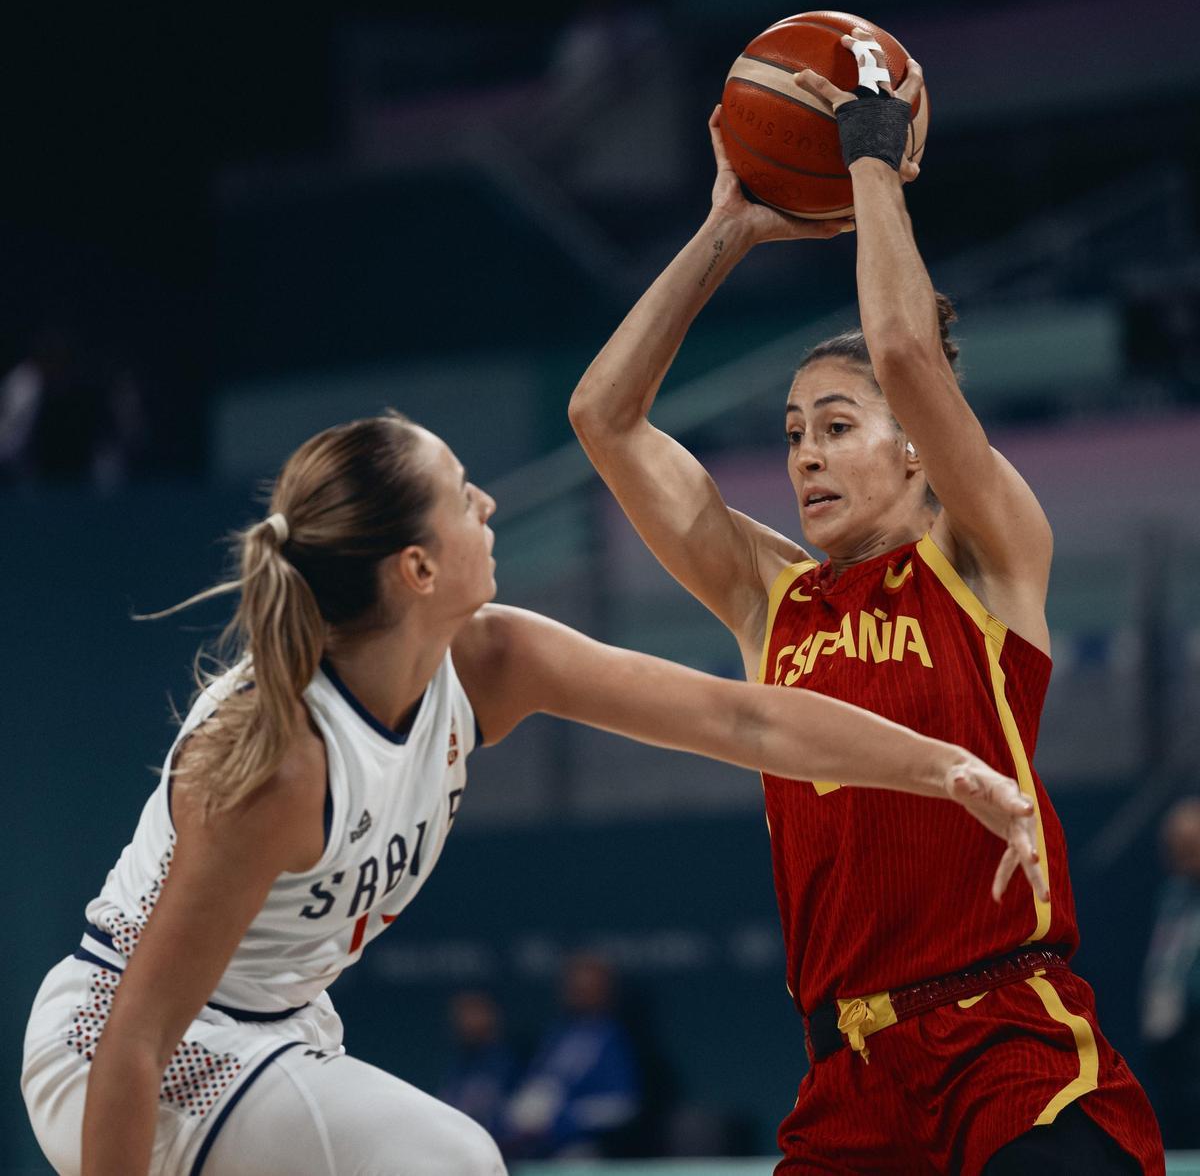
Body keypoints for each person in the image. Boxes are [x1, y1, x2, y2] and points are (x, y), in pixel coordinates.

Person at [21, 410, 1043, 1176]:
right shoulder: (283, 761)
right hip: (124, 1042)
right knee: (451, 1162)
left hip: (272, 1028)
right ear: (417, 567)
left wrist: (948, 768)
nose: (489, 504)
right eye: (465, 491)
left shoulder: (495, 660)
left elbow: (749, 719)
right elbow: (136, 1040)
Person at [569, 31, 1165, 1174]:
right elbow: (604, 418)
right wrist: (726, 229)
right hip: (847, 1077)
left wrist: (870, 162)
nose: (806, 456)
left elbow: (901, 347)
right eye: (793, 434)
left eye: (837, 427)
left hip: (1005, 1039)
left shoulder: (987, 555)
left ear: (915, 455)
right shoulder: (768, 599)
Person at [501, 952, 639, 1159]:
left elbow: (621, 1105)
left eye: (588, 987)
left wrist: (562, 1120)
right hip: (532, 1147)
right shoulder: (556, 1035)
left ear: (605, 990)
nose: (579, 992)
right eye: (575, 986)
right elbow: (536, 1088)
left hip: (583, 1148)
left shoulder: (617, 1037)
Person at [1141, 797, 1200, 1148]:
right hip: (1168, 1050)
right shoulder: (1171, 896)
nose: (1178, 856)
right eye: (1173, 847)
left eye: (1188, 847)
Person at [439, 990, 518, 1139]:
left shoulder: (512, 1062)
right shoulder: (461, 1066)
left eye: (475, 1013)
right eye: (462, 1014)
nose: (467, 1021)